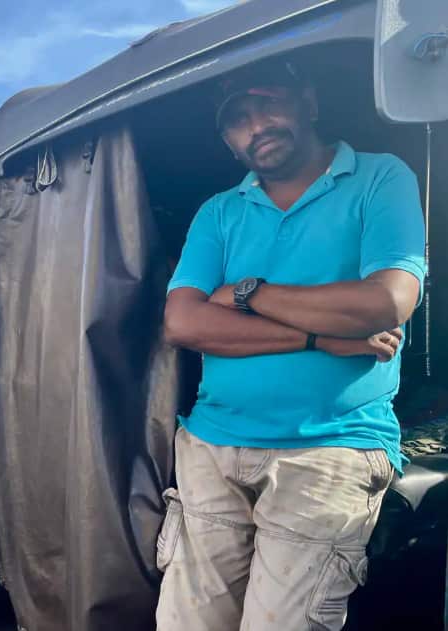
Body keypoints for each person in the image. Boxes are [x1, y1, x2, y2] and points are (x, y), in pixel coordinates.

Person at [156, 60, 425, 631]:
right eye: (239, 120)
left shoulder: (380, 178)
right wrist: (319, 336)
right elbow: (182, 322)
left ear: (309, 102)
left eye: (269, 103)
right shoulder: (220, 211)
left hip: (329, 450)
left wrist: (247, 292)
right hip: (211, 447)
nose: (257, 125)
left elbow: (384, 303)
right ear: (229, 141)